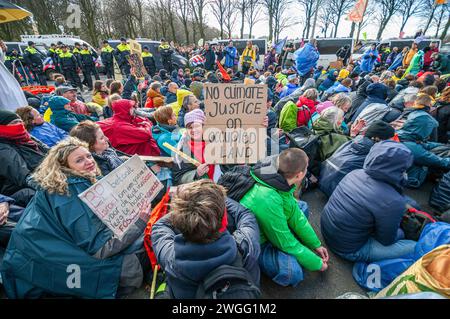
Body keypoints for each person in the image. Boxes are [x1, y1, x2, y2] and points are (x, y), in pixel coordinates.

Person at [0, 137, 150, 299]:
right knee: (139, 258)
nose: (89, 161)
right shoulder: (69, 192)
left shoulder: (71, 181)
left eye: (88, 156)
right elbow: (101, 249)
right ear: (64, 167)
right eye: (79, 160)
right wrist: (140, 222)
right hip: (46, 265)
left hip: (34, 258)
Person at [152, 179, 260, 298]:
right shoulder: (246, 246)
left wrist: (184, 206)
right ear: (224, 220)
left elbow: (159, 226)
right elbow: (245, 215)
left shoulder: (170, 257)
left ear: (179, 222)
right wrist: (218, 199)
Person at [239, 148, 328, 287]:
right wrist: (316, 263)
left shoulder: (278, 174)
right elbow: (285, 242)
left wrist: (315, 245)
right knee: (293, 273)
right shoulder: (267, 197)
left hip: (267, 222)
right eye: (306, 168)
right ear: (299, 175)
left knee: (301, 207)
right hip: (259, 241)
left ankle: (294, 252)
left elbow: (295, 215)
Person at [321, 140, 417, 263]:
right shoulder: (393, 201)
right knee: (414, 246)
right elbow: (386, 240)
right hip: (348, 249)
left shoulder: (355, 173)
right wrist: (402, 231)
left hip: (327, 231)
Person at [319, 120, 395, 197]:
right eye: (388, 139)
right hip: (336, 192)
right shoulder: (373, 152)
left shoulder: (354, 141)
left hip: (323, 182)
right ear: (378, 138)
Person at [397, 95, 450, 188]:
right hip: (410, 181)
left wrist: (443, 145)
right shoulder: (411, 147)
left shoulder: (405, 135)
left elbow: (423, 144)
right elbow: (437, 161)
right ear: (424, 128)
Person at [0, 110, 47, 207]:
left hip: (44, 174)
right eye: (14, 123)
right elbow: (24, 176)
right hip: (19, 189)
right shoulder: (2, 149)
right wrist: (53, 183)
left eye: (20, 121)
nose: (19, 125)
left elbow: (49, 152)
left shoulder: (24, 137)